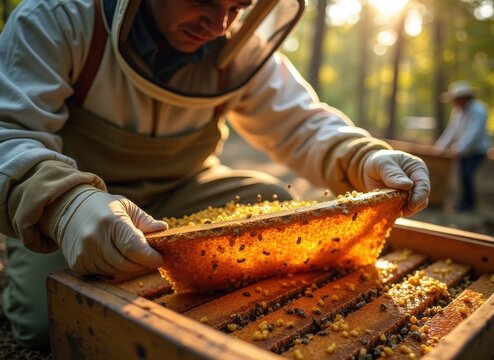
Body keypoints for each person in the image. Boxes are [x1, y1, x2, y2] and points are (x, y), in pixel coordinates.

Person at [0, 0, 430, 349]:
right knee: (45, 320)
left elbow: (301, 122)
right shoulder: (58, 19)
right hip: (84, 205)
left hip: (188, 187)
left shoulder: (240, 44)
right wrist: (64, 205)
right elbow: (8, 134)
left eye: (237, 7)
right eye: (203, 0)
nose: (218, 23)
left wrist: (362, 156)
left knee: (273, 202)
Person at [434, 80, 490, 211]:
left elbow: (475, 132)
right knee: (461, 176)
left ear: (465, 97)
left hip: (478, 151)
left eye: (457, 99)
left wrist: (461, 146)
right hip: (463, 152)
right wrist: (440, 146)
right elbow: (451, 130)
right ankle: (465, 201)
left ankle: (469, 203)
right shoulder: (457, 112)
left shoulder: (479, 110)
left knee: (467, 174)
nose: (455, 102)